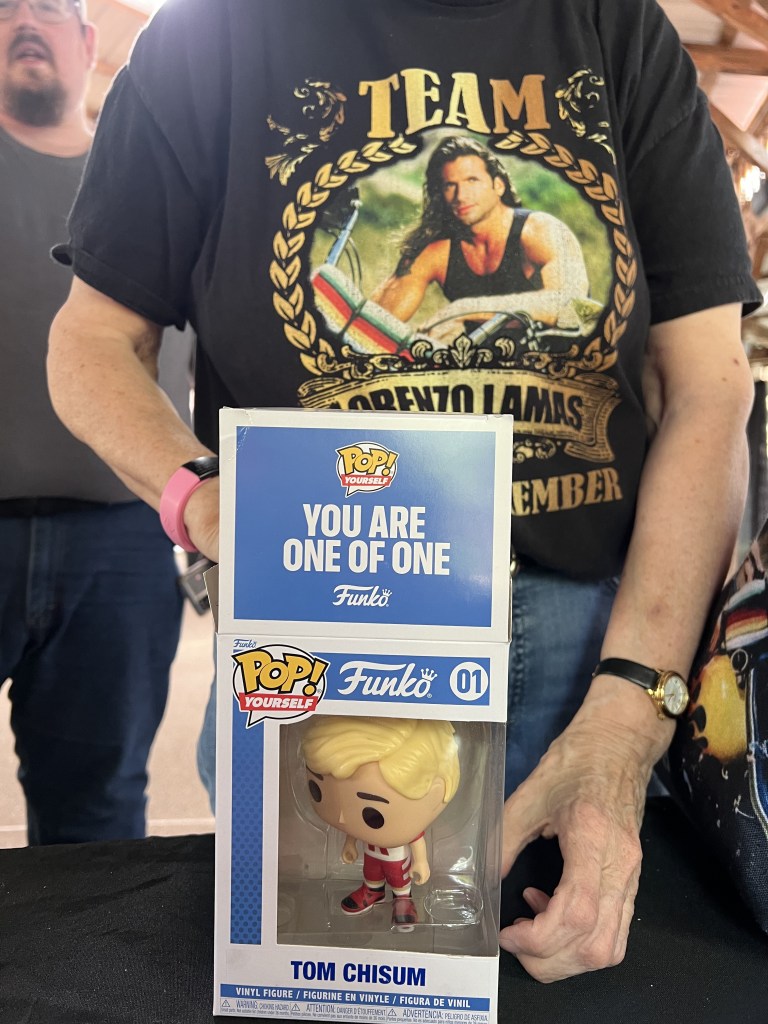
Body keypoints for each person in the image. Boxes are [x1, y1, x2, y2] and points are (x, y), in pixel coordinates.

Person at [46, 0, 761, 981]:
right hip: (326, 617)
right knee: (324, 971)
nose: (459, 194)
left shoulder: (614, 30)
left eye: (473, 178)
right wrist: (204, 499)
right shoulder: (207, 40)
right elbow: (90, 342)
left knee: (576, 975)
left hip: (594, 644)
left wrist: (629, 719)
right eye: (445, 182)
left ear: (498, 180)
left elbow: (708, 386)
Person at [0, 0, 184, 844]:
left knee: (99, 812)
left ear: (86, 42)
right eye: (7, 10)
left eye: (46, 8)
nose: (23, 22)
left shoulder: (152, 182)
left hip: (123, 545)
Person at [372, 134, 590, 335]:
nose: (461, 195)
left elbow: (572, 307)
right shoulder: (437, 252)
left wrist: (463, 309)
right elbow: (370, 325)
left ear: (498, 185)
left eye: (472, 180)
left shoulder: (541, 230)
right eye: (450, 186)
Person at [300, 715, 460, 931]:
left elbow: (417, 842)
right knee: (371, 873)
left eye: (372, 813)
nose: (342, 818)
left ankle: (403, 900)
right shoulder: (357, 827)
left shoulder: (406, 831)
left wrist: (421, 862)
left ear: (435, 796)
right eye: (316, 790)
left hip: (396, 858)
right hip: (372, 854)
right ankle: (372, 891)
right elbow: (351, 826)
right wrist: (350, 843)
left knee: (399, 879)